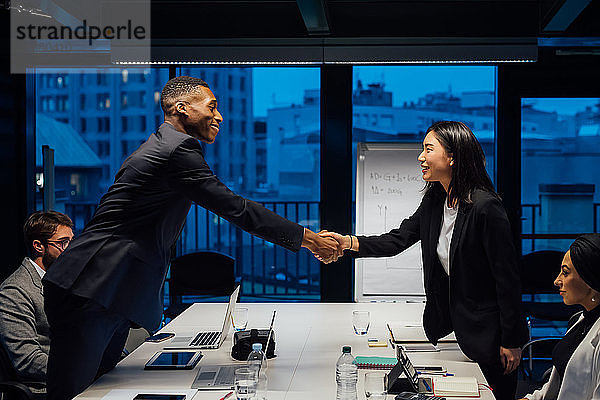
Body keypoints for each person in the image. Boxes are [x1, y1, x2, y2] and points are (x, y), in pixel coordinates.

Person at [42, 76, 338, 400]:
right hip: (91, 285)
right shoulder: (177, 150)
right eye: (212, 107)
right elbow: (234, 207)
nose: (220, 116)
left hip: (108, 287)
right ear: (182, 109)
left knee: (98, 391)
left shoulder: (161, 145)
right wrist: (307, 238)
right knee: (74, 394)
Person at [321, 121, 528, 400]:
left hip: (491, 338)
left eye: (428, 149)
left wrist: (512, 341)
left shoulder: (485, 207)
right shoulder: (435, 200)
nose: (421, 157)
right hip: (457, 332)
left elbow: (508, 280)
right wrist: (347, 243)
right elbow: (397, 240)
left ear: (452, 156)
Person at [0, 211, 73, 397]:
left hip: (78, 378)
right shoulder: (14, 291)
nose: (71, 250)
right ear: (39, 246)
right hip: (47, 389)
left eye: (73, 242)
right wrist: (80, 368)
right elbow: (27, 360)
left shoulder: (65, 279)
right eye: (63, 243)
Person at [520, 234, 600, 400]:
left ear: (590, 280)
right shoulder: (580, 319)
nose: (557, 281)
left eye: (565, 273)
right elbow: (557, 386)